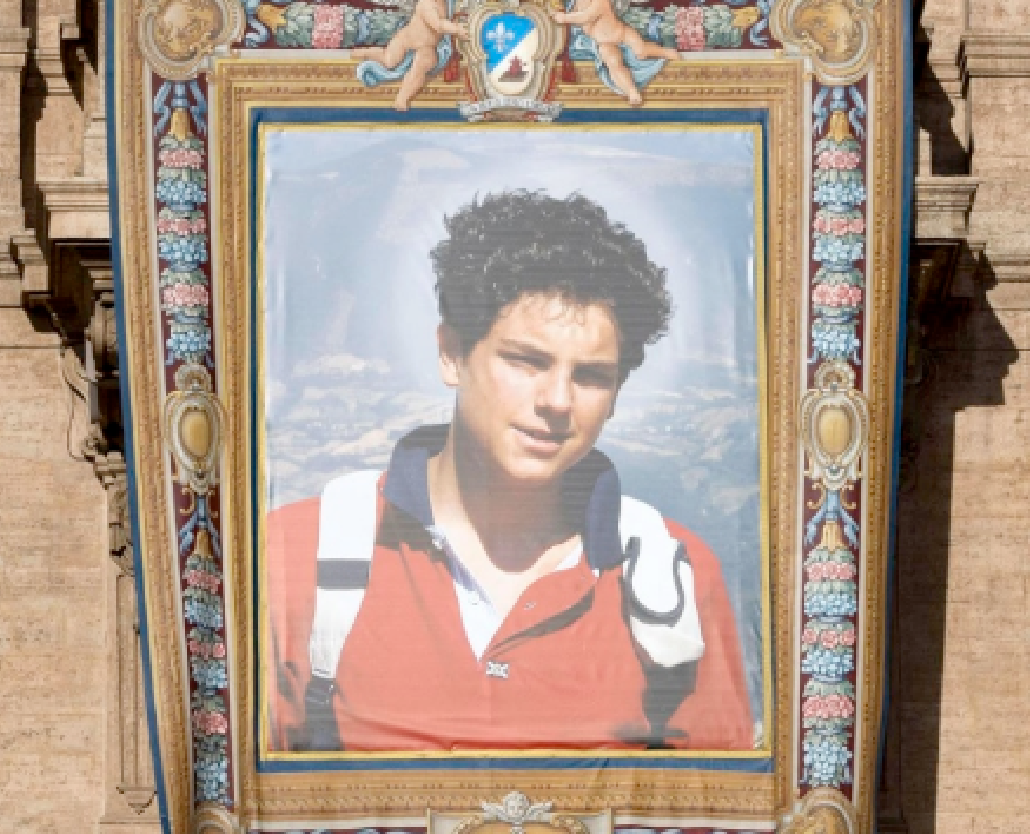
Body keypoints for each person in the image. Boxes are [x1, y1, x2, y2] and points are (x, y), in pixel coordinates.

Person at [266, 190, 753, 752]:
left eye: (591, 376)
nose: (557, 401)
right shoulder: (297, 556)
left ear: (617, 393)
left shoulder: (675, 579)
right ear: (452, 353)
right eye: (526, 361)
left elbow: (715, 795)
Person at [550, 0, 682, 107]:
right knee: (614, 64)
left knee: (641, 52)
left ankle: (667, 52)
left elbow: (585, 17)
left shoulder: (601, 0)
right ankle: (632, 91)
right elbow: (570, 8)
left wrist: (563, 18)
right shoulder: (578, 2)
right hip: (604, 43)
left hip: (623, 34)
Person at [352, 0, 467, 112]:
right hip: (405, 40)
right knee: (389, 61)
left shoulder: (447, 0)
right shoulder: (426, 5)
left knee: (419, 68)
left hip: (427, 46)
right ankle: (367, 52)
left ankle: (402, 98)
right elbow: (438, 25)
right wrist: (457, 29)